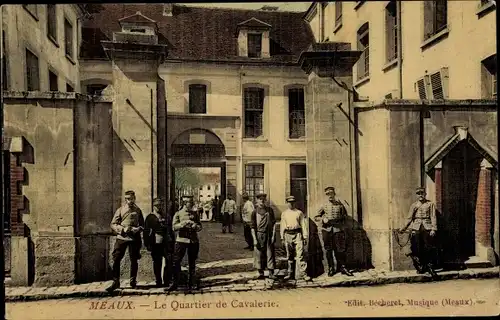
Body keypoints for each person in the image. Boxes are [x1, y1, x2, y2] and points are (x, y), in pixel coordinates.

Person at [107, 190, 145, 292]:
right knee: (116, 258)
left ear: (134, 198)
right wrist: (122, 229)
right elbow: (113, 224)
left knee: (134, 259)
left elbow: (142, 225)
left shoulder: (138, 210)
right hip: (122, 238)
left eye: (132, 198)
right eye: (128, 199)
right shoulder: (120, 210)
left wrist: (138, 229)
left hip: (134, 238)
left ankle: (133, 281)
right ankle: (116, 282)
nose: (130, 201)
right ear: (125, 199)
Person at [399, 187, 438, 278]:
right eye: (418, 193)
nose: (420, 195)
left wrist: (433, 229)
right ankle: (421, 266)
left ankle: (430, 267)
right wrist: (403, 228)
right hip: (416, 228)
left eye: (422, 193)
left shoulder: (430, 204)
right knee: (417, 248)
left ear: (425, 194)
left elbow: (433, 217)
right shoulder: (414, 205)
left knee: (428, 248)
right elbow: (409, 218)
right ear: (416, 195)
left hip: (427, 227)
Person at [314, 187, 354, 277]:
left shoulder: (339, 205)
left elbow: (345, 216)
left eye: (331, 194)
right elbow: (316, 217)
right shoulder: (323, 205)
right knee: (328, 250)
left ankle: (343, 267)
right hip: (327, 230)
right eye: (328, 194)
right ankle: (331, 268)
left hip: (338, 230)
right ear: (326, 195)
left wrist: (341, 225)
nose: (330, 196)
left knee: (340, 249)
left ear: (334, 194)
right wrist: (323, 219)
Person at [167, 195, 203, 291]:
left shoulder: (195, 214)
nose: (191, 204)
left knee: (192, 262)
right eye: (189, 203)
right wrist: (182, 225)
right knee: (176, 262)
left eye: (191, 203)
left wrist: (195, 226)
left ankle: (192, 282)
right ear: (184, 203)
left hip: (193, 241)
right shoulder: (178, 214)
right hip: (181, 241)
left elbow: (200, 226)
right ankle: (175, 283)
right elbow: (174, 227)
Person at [144, 198, 174, 288]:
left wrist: (173, 240)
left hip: (167, 242)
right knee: (157, 262)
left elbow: (171, 229)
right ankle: (158, 281)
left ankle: (166, 280)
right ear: (153, 206)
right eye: (157, 206)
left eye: (160, 205)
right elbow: (146, 231)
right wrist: (147, 243)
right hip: (156, 242)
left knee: (169, 261)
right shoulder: (150, 217)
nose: (159, 207)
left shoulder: (167, 216)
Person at [280, 195, 311, 281]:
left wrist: (305, 237)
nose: (291, 204)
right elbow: (282, 225)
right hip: (288, 234)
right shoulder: (284, 213)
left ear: (295, 203)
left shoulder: (299, 213)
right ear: (287, 203)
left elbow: (303, 225)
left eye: (293, 202)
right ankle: (290, 274)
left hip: (297, 234)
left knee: (300, 255)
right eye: (289, 202)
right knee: (289, 255)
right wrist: (282, 237)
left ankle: (304, 274)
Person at [250, 193, 277, 280]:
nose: (262, 201)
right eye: (260, 199)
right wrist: (254, 239)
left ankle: (271, 272)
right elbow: (252, 227)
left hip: (268, 234)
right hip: (259, 234)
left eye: (263, 199)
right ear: (257, 201)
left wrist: (273, 235)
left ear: (265, 201)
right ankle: (260, 272)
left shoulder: (270, 210)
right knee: (258, 254)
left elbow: (274, 224)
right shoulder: (254, 212)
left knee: (270, 253)